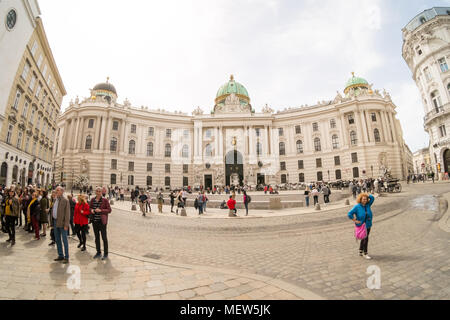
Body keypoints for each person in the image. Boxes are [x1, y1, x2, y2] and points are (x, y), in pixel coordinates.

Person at [347, 193, 375, 260]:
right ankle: (365, 253)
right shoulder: (357, 206)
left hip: (368, 224)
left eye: (366, 199)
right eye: (363, 199)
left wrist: (366, 195)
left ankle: (360, 250)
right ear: (360, 199)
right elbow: (349, 214)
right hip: (361, 225)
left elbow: (372, 198)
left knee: (364, 238)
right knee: (366, 239)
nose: (365, 200)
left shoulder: (368, 205)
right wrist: (355, 220)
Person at [89, 187, 112, 260]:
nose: (98, 192)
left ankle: (105, 253)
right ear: (95, 192)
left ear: (102, 192)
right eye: (97, 191)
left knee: (104, 238)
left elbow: (109, 210)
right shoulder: (92, 200)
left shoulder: (105, 200)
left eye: (99, 191)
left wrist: (101, 210)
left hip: (102, 222)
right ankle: (98, 252)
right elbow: (89, 208)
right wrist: (91, 210)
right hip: (95, 221)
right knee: (97, 238)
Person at [52, 186, 71, 263]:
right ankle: (60, 255)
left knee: (64, 240)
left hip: (63, 223)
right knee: (57, 239)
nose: (56, 191)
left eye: (58, 190)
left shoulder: (65, 200)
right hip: (55, 222)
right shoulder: (55, 199)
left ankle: (66, 257)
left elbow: (67, 214)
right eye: (56, 190)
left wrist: (66, 225)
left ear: (62, 191)